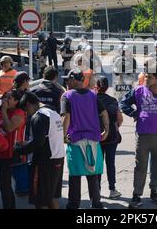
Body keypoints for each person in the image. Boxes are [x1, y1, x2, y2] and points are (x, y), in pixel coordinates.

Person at [120, 68, 157, 208]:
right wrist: (134, 113)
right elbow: (123, 103)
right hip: (143, 135)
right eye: (145, 77)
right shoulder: (138, 90)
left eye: (150, 77)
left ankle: (154, 191)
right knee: (140, 166)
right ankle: (136, 195)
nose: (146, 79)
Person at [61, 69, 109, 209]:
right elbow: (104, 113)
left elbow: (66, 117)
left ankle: (73, 205)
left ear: (74, 80)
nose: (67, 82)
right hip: (94, 140)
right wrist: (106, 130)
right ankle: (96, 204)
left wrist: (64, 136)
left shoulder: (67, 95)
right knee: (92, 175)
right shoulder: (93, 95)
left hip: (75, 141)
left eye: (68, 79)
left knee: (75, 176)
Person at [15, 92, 65, 209]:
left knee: (40, 200)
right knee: (51, 197)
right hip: (58, 159)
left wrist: (20, 149)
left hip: (44, 163)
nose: (27, 114)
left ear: (28, 104)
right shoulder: (53, 113)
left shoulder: (38, 116)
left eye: (26, 111)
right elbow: (46, 138)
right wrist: (27, 144)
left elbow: (38, 143)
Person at [0, 90, 26, 209]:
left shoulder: (19, 113)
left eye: (9, 98)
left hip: (11, 154)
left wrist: (4, 111)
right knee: (4, 184)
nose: (5, 100)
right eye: (5, 97)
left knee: (4, 184)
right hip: (1, 153)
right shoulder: (1, 112)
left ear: (16, 101)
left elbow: (9, 128)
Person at [95, 77, 124, 199]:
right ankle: (112, 189)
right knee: (110, 163)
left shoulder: (92, 100)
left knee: (98, 164)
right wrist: (115, 126)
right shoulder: (113, 101)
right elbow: (119, 118)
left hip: (97, 135)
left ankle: (97, 190)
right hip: (112, 134)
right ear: (107, 87)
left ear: (96, 86)